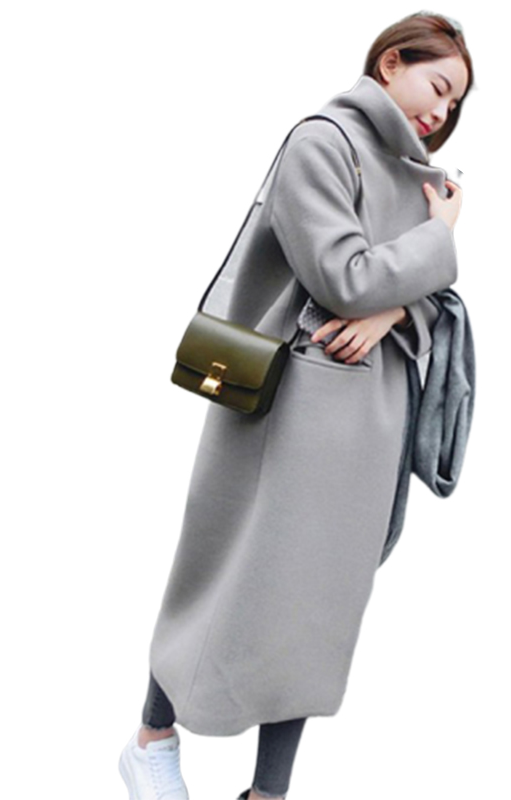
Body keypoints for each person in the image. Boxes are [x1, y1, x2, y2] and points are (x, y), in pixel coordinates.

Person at [118, 11, 473, 800]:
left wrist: (394, 310)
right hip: (289, 406)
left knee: (315, 613)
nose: (442, 110)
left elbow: (416, 297)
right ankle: (151, 741)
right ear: (391, 63)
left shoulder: (418, 175)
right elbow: (341, 276)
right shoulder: (323, 141)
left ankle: (268, 793)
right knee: (225, 575)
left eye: (455, 103)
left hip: (372, 420)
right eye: (438, 85)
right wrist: (438, 240)